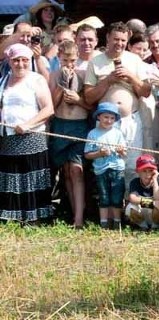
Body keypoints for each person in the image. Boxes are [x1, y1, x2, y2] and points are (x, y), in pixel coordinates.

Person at [84, 21, 151, 186]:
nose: (119, 44)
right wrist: (108, 80)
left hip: (131, 121)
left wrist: (131, 76)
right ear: (107, 38)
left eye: (123, 40)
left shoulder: (134, 60)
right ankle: (110, 208)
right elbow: (88, 97)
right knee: (108, 165)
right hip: (106, 124)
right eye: (115, 39)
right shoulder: (95, 62)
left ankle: (130, 207)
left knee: (132, 164)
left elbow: (146, 91)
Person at [0, 43, 54, 222]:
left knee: (32, 176)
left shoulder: (36, 79)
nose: (20, 64)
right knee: (12, 177)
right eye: (16, 60)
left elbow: (48, 109)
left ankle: (35, 218)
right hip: (8, 138)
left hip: (32, 137)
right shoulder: (3, 80)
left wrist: (27, 125)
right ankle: (13, 216)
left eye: (24, 60)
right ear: (9, 61)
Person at [48, 40, 91, 229]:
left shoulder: (82, 74)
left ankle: (80, 219)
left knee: (77, 171)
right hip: (60, 125)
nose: (69, 65)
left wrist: (78, 99)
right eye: (66, 60)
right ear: (59, 58)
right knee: (66, 172)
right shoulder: (54, 75)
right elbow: (51, 106)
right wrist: (61, 86)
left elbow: (91, 106)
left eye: (73, 60)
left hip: (79, 126)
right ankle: (74, 214)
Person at [84, 102, 127, 230]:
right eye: (106, 117)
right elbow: (87, 154)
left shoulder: (118, 133)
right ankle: (104, 223)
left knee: (117, 197)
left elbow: (125, 152)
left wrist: (121, 151)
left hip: (117, 168)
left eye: (112, 118)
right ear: (99, 117)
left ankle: (117, 222)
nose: (109, 121)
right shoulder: (93, 134)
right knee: (103, 196)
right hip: (100, 170)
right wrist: (99, 153)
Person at [125, 154, 159, 230]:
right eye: (144, 171)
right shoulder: (135, 182)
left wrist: (154, 180)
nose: (148, 174)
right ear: (138, 171)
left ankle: (155, 227)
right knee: (131, 207)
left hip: (155, 214)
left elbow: (158, 198)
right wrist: (151, 203)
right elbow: (132, 198)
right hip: (144, 213)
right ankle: (143, 227)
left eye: (150, 171)